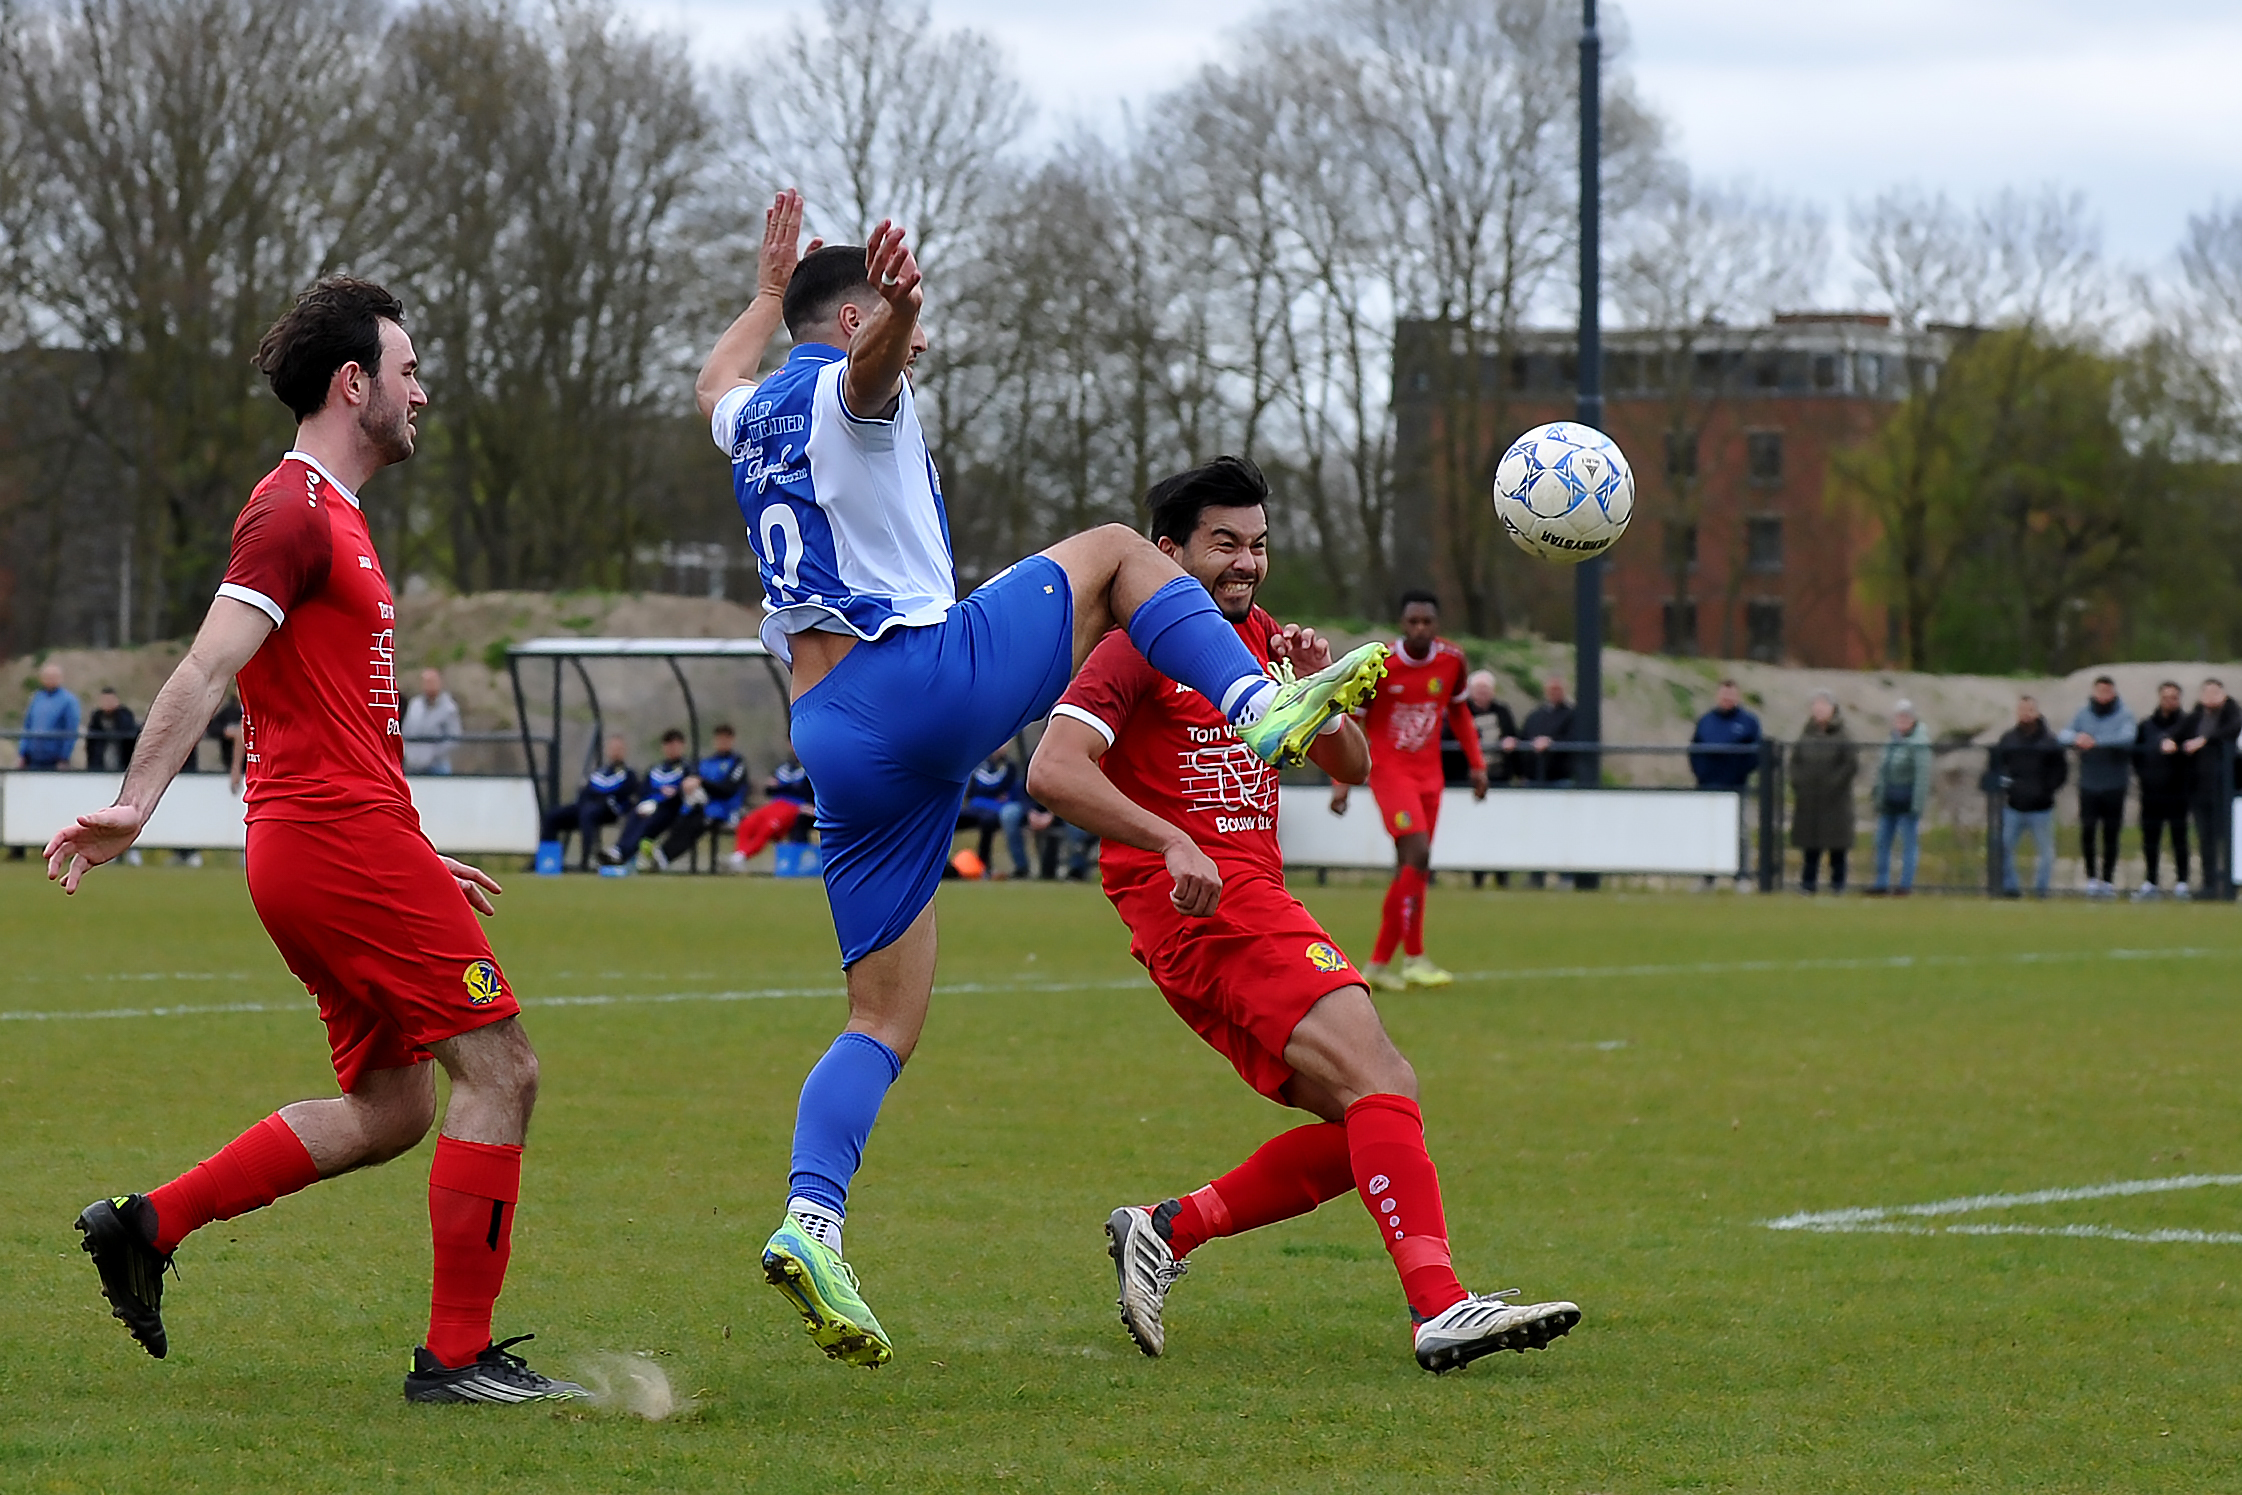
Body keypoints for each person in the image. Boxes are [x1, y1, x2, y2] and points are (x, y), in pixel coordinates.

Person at [696, 194, 1386, 1367]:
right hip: (913, 677)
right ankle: (1263, 709)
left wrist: (764, 293)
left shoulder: (750, 414)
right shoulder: (847, 392)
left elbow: (712, 379)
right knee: (1121, 550)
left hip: (832, 733)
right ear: (858, 316)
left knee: (882, 1017)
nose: (922, 343)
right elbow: (863, 373)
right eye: (907, 325)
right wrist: (897, 306)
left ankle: (812, 1220)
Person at [43, 277, 580, 1403]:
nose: (421, 390)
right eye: (408, 368)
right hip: (332, 843)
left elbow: (329, 718)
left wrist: (415, 848)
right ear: (355, 383)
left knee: (396, 1107)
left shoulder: (338, 515)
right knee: (504, 1067)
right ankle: (457, 1359)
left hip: (336, 841)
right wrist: (136, 805)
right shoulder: (291, 511)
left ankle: (149, 1225)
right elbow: (204, 668)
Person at [1025, 455, 1578, 1374]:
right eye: (1223, 545)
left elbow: (1355, 768)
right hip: (1206, 908)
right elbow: (1054, 769)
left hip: (1247, 901)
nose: (1246, 563)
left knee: (1371, 1112)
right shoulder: (1134, 646)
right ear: (1165, 553)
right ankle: (1439, 1307)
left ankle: (1167, 1228)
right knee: (1383, 1079)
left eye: (1258, 545)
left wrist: (1318, 694)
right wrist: (1171, 838)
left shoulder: (1268, 637)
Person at [1327, 589, 1486, 989]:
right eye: (1412, 621)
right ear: (1402, 623)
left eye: (1426, 622)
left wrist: (1478, 765)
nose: (1419, 628)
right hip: (1390, 773)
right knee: (1417, 852)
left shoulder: (1452, 661)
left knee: (1412, 869)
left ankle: (1381, 965)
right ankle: (1412, 958)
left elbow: (1460, 713)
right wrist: (1341, 781)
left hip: (1431, 777)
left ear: (1437, 624)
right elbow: (1350, 723)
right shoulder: (1382, 665)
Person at [2060, 675, 2134, 899]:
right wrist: (2077, 738)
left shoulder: (2124, 714)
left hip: (2115, 784)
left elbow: (2127, 737)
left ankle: (2108, 880)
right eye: (2099, 691)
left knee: (2111, 833)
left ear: (2113, 693)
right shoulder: (2083, 713)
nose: (2103, 696)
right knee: (2088, 832)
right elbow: (2063, 735)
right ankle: (2092, 878)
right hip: (2089, 784)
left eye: (2107, 691)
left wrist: (2095, 741)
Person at [1995, 696, 2066, 898]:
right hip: (2014, 806)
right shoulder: (2008, 739)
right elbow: (1998, 767)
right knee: (2005, 848)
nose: (2026, 714)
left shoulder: (2049, 740)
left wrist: (2046, 789)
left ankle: (2041, 890)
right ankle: (2011, 889)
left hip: (2042, 808)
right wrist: (2009, 788)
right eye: (2022, 710)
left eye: (2030, 710)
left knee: (2046, 854)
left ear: (2037, 711)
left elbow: (2061, 771)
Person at [1453, 671, 1516, 888]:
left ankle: (1502, 874)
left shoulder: (1502, 712)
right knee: (1475, 828)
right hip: (1468, 779)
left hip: (1499, 778)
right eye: (1479, 689)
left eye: (1486, 690)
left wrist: (1512, 744)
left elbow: (1515, 735)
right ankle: (1476, 873)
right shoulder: (1461, 711)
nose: (1483, 694)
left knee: (1500, 829)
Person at [655, 724, 750, 869]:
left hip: (727, 809)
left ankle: (665, 856)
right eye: (719, 738)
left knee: (698, 822)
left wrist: (702, 783)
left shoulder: (737, 762)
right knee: (683, 817)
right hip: (704, 806)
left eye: (726, 738)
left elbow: (728, 789)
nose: (722, 742)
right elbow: (693, 781)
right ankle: (661, 853)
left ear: (732, 740)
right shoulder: (706, 762)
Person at [1790, 692, 1855, 894]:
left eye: (1823, 706)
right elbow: (1795, 763)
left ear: (1832, 709)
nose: (1819, 710)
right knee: (1810, 847)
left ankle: (1838, 885)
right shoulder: (1805, 734)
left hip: (1835, 802)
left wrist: (1831, 786)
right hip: (1809, 801)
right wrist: (1801, 784)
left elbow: (1849, 765)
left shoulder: (1843, 735)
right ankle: (1808, 884)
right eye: (1816, 706)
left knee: (1837, 847)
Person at [2180, 679, 2241, 895]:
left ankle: (2230, 884)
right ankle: (2209, 884)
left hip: (2227, 789)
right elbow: (2178, 733)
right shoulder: (2195, 717)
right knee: (2206, 839)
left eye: (2215, 692)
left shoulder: (2233, 715)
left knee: (2230, 838)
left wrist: (2204, 740)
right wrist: (2167, 740)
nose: (2211, 696)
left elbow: (2232, 730)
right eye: (2206, 692)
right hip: (2200, 787)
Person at [542, 735, 637, 871]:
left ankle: (586, 863)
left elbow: (624, 794)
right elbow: (585, 792)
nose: (615, 751)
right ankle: (547, 861)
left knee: (588, 814)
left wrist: (598, 796)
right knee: (552, 816)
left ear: (624, 751)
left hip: (609, 811)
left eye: (618, 748)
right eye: (613, 748)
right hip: (586, 807)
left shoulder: (629, 774)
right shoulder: (599, 773)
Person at [2134, 682, 2192, 900]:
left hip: (2178, 792)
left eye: (2174, 697)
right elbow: (2137, 756)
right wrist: (2146, 778)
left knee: (2179, 837)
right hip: (2151, 792)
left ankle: (2182, 882)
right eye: (2166, 697)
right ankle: (2150, 881)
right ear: (2159, 698)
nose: (2170, 701)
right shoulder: (2146, 726)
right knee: (2150, 838)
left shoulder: (2186, 726)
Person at [1867, 701, 1932, 896]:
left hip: (1907, 800)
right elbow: (1882, 771)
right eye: (1899, 717)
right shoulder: (1891, 741)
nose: (1901, 721)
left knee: (1908, 842)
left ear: (1913, 720)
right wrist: (1878, 795)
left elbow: (1922, 776)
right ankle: (1881, 882)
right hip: (1889, 800)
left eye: (1905, 717)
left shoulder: (1920, 743)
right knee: (1881, 841)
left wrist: (1917, 804)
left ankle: (1905, 884)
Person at [602, 729, 690, 869]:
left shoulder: (687, 768)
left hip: (671, 809)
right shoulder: (655, 769)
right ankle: (618, 850)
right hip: (649, 805)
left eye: (675, 745)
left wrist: (675, 792)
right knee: (635, 814)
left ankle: (624, 854)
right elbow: (643, 789)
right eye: (669, 745)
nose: (672, 749)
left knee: (648, 821)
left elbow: (687, 790)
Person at [730, 756, 817, 870]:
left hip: (795, 807)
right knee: (747, 823)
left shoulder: (809, 769)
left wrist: (782, 787)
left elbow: (806, 792)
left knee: (768, 827)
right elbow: (770, 789)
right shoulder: (783, 768)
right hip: (776, 804)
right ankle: (739, 854)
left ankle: (743, 856)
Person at [959, 749, 1028, 879]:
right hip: (975, 807)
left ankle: (983, 866)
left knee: (988, 821)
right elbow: (974, 791)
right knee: (949, 822)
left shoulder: (1010, 767)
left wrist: (994, 794)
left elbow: (1006, 791)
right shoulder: (978, 765)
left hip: (995, 810)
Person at [1688, 679, 1762, 792]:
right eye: (1724, 694)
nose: (1727, 698)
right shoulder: (1705, 721)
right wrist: (1702, 773)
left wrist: (1739, 772)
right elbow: (1694, 749)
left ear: (1737, 697)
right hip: (1706, 786)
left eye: (1731, 695)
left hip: (1737, 787)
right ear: (1717, 696)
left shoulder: (1749, 722)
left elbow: (1755, 753)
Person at [19, 661, 80, 769]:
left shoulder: (68, 701)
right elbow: (27, 726)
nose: (50, 679)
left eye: (53, 676)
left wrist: (64, 757)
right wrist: (22, 753)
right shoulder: (37, 698)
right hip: (33, 759)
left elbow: (71, 731)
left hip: (54, 760)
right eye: (47, 676)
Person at [402, 668, 463, 776]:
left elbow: (454, 737)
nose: (428, 685)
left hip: (437, 766)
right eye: (426, 682)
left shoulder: (449, 709)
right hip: (413, 765)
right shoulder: (415, 705)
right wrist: (409, 753)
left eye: (432, 681)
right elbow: (407, 730)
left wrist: (432, 755)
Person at [1518, 677, 1576, 786]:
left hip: (1560, 777)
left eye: (1557, 689)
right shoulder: (1535, 715)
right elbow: (1523, 737)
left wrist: (1551, 742)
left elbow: (1573, 738)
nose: (1554, 692)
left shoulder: (1572, 715)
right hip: (1533, 777)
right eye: (1551, 689)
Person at [86, 687, 138, 772]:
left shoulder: (125, 716)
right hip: (100, 764)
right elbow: (91, 745)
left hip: (122, 763)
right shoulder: (96, 718)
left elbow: (129, 737)